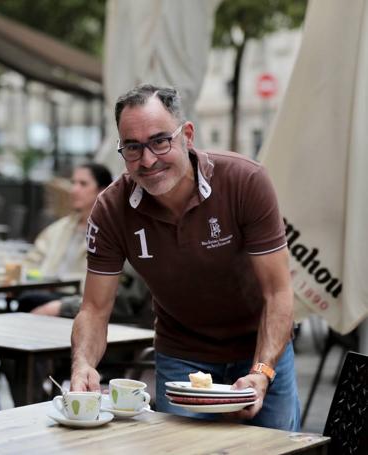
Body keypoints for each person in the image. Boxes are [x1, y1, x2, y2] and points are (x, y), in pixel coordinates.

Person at [70, 84, 299, 431]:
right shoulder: (110, 208)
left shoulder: (245, 181)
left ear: (187, 135)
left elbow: (278, 293)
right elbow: (94, 309)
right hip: (182, 356)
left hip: (261, 349)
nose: (147, 160)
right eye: (133, 147)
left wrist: (262, 371)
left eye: (160, 141)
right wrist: (83, 363)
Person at [18, 163, 113, 316]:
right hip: (47, 290)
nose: (74, 190)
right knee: (25, 297)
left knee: (28, 300)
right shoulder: (60, 228)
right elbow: (32, 261)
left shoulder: (110, 231)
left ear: (102, 190)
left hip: (79, 299)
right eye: (73, 183)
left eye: (83, 184)